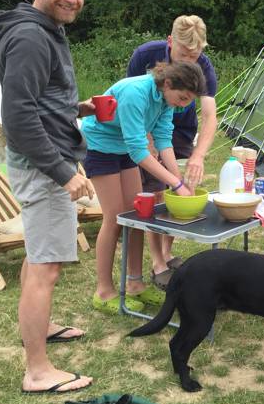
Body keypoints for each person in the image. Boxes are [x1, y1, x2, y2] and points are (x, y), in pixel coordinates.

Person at [0, 0, 94, 393]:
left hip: (41, 160)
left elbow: (37, 100)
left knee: (38, 256)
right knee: (46, 267)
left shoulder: (44, 29)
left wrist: (76, 108)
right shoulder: (32, 37)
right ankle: (37, 371)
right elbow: (18, 116)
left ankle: (40, 326)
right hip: (44, 166)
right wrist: (63, 173)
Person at [81, 63, 208, 314]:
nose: (183, 105)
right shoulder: (135, 92)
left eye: (188, 101)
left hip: (124, 147)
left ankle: (135, 283)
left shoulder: (166, 100)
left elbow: (163, 139)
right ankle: (104, 291)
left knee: (137, 216)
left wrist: (178, 178)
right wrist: (176, 184)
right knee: (114, 218)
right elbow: (140, 151)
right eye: (183, 98)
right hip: (100, 145)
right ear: (168, 83)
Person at [126, 15, 218, 288]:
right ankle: (157, 262)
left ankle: (167, 252)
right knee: (156, 191)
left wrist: (198, 155)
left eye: (194, 55)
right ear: (170, 42)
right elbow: (132, 102)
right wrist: (148, 141)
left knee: (178, 189)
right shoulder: (145, 55)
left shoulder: (204, 66)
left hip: (179, 130)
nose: (189, 60)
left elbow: (210, 115)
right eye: (183, 53)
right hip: (144, 127)